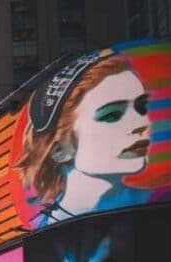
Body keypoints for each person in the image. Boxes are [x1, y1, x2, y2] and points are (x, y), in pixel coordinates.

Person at [20, 51, 153, 225]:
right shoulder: (45, 235)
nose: (141, 124)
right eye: (112, 115)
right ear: (59, 149)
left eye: (142, 107)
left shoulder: (162, 205)